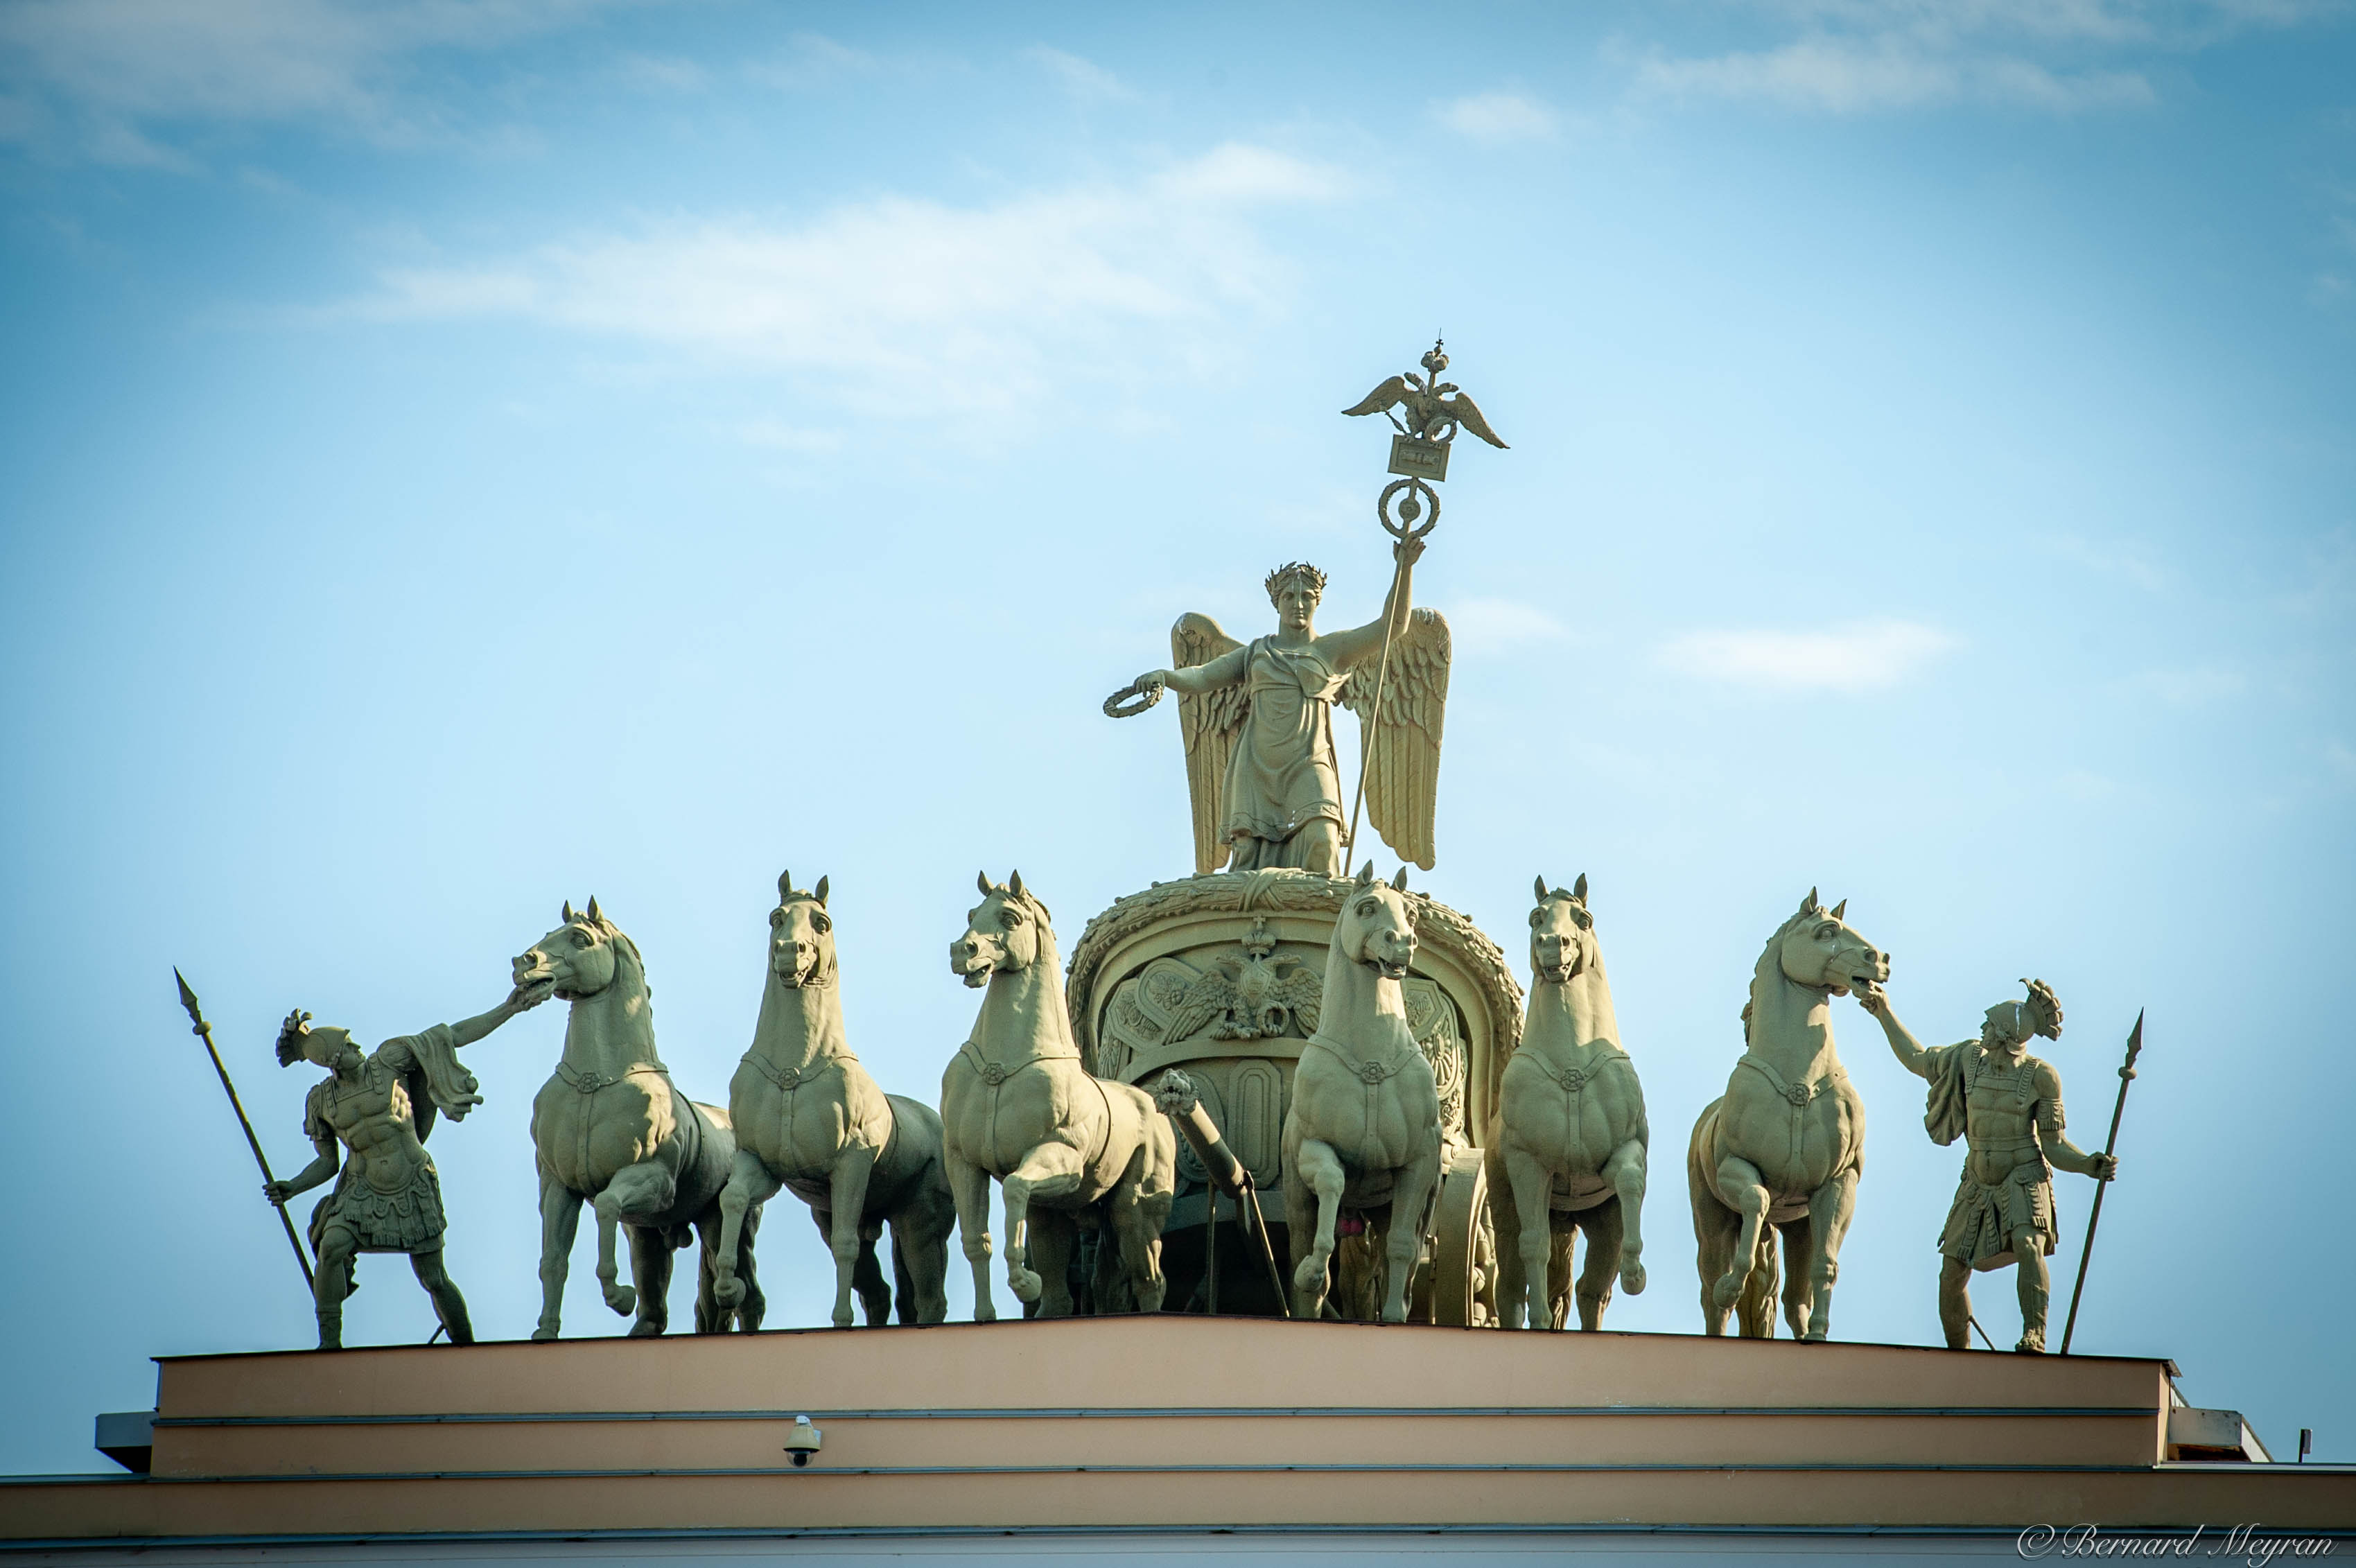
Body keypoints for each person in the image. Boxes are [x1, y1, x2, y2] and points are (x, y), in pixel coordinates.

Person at [265, 984, 544, 1349]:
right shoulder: (321, 1101)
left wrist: (509, 1008)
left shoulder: (389, 1061)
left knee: (433, 1277)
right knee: (332, 1246)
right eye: (349, 1047)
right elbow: (327, 1163)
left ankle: (467, 1350)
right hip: (361, 1188)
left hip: (411, 1180)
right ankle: (328, 1346)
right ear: (334, 1060)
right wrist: (293, 1186)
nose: (358, 1048)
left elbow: (452, 1036)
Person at [1136, 535, 1424, 872]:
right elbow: (1202, 677)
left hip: (1309, 762)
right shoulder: (1256, 653)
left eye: (1306, 596)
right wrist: (1165, 677)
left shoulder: (1331, 650)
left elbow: (1391, 627)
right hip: (1256, 765)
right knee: (1248, 857)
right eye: (1289, 596)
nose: (1298, 604)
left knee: (1323, 840)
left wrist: (1404, 568)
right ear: (1276, 602)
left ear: (1318, 602)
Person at [1858, 979, 2118, 1353]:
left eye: (1989, 1024)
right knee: (1951, 1272)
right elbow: (1917, 1059)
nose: (1982, 1029)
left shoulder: (2042, 1077)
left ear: (2003, 1033)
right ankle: (1958, 1353)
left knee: (2029, 1245)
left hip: (2024, 1175)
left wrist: (2089, 1165)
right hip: (1977, 1179)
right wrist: (1883, 1011)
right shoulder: (1967, 1058)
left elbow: (2055, 1146)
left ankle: (2035, 1334)